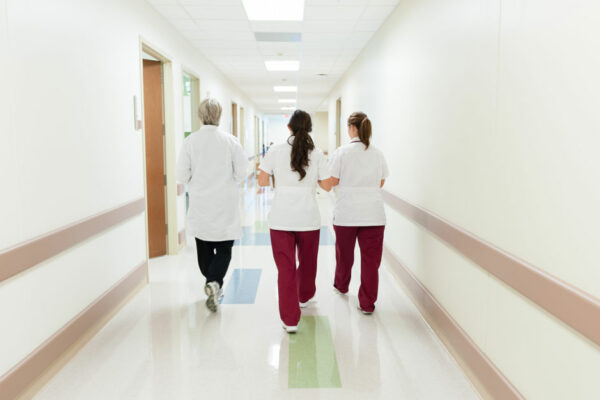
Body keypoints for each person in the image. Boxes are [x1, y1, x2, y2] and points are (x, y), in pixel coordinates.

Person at [258, 110, 331, 333]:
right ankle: (304, 296)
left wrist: (280, 182)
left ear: (289, 128)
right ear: (309, 129)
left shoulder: (275, 151)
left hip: (281, 219)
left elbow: (261, 181)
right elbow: (326, 185)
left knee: (286, 269)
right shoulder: (317, 153)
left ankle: (290, 320)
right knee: (308, 262)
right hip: (308, 217)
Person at [176, 99, 249, 312]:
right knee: (225, 248)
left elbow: (181, 174)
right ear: (219, 116)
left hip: (200, 204)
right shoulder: (231, 141)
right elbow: (242, 173)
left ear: (200, 115)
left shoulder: (190, 142)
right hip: (225, 204)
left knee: (204, 248)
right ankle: (214, 283)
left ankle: (211, 282)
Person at [328, 112, 389, 314]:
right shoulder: (377, 153)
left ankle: (342, 285)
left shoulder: (342, 152)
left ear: (351, 128)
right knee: (371, 261)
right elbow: (381, 181)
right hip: (373, 214)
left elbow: (333, 180)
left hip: (347, 214)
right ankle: (367, 303)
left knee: (344, 255)